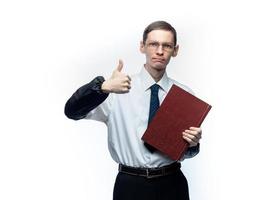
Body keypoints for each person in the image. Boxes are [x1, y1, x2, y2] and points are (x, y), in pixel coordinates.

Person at [64, 21, 202, 200]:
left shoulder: (184, 95)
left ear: (175, 50)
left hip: (173, 184)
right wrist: (102, 87)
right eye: (153, 44)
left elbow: (187, 152)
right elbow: (72, 111)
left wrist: (193, 145)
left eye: (166, 45)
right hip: (130, 185)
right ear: (142, 46)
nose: (159, 51)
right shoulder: (116, 90)